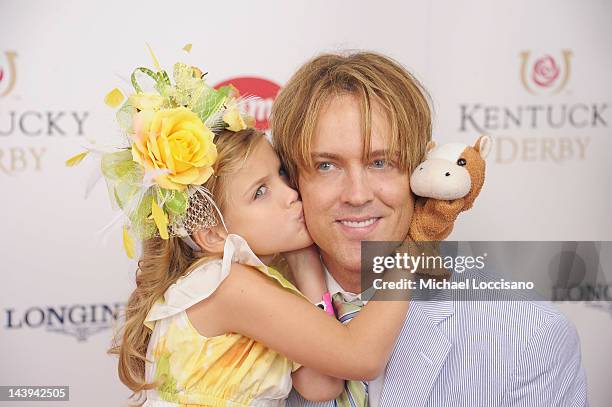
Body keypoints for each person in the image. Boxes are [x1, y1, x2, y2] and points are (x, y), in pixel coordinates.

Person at [87, 56, 415, 406]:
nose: (292, 196)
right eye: (260, 192)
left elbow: (323, 386)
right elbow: (360, 358)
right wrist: (415, 248)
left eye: (282, 175)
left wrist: (305, 264)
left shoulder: (253, 283)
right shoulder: (228, 286)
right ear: (212, 233)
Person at [271, 51, 588, 406]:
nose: (357, 195)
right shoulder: (237, 318)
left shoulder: (529, 335)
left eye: (381, 162)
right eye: (327, 165)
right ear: (291, 178)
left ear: (422, 170)